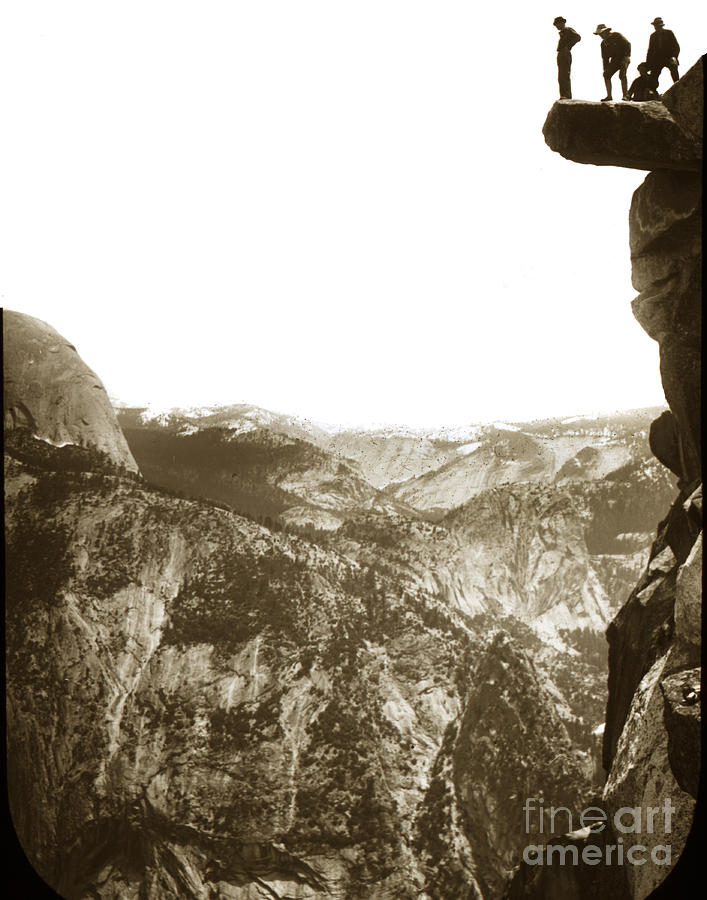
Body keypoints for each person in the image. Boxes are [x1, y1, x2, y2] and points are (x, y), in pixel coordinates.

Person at [593, 24, 631, 101]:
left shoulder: (617, 35)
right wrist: (605, 69)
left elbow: (627, 44)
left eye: (601, 33)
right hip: (615, 60)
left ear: (607, 31)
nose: (601, 36)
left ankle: (625, 95)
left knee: (622, 75)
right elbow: (605, 58)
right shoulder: (603, 44)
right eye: (599, 34)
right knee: (606, 75)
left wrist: (626, 56)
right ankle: (609, 96)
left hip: (624, 57)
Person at [646, 17, 680, 86]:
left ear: (661, 26)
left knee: (674, 70)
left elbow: (676, 47)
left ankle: (678, 86)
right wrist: (648, 64)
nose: (656, 27)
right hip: (658, 59)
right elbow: (650, 51)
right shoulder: (653, 36)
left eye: (658, 26)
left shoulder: (669, 33)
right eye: (655, 26)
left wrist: (674, 57)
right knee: (653, 76)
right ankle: (653, 92)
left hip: (669, 57)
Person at [553, 16, 581, 99]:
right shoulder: (563, 32)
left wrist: (568, 46)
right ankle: (564, 95)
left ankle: (566, 95)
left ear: (562, 23)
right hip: (561, 53)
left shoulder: (568, 30)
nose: (556, 26)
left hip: (565, 53)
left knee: (564, 74)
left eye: (557, 24)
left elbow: (578, 37)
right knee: (561, 75)